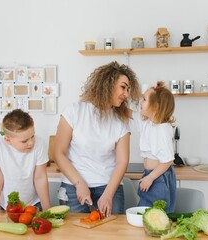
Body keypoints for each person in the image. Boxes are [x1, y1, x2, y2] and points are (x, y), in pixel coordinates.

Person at [53, 61, 140, 216]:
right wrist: (79, 184)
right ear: (107, 84)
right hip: (74, 188)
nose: (126, 94)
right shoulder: (74, 111)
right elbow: (58, 153)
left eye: (128, 89)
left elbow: (122, 162)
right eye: (123, 87)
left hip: (109, 188)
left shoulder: (121, 121)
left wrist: (108, 194)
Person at [0, 109, 51, 218]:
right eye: (24, 141)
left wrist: (47, 209)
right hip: (7, 207)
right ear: (8, 140)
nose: (31, 142)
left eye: (32, 136)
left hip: (34, 205)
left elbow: (40, 178)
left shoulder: (39, 144)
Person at [133, 81, 176, 213]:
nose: (141, 102)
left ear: (155, 107)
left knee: (156, 213)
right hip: (150, 175)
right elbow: (128, 113)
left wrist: (151, 178)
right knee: (147, 212)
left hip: (158, 177)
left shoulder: (162, 129)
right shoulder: (147, 122)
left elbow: (167, 161)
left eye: (144, 99)